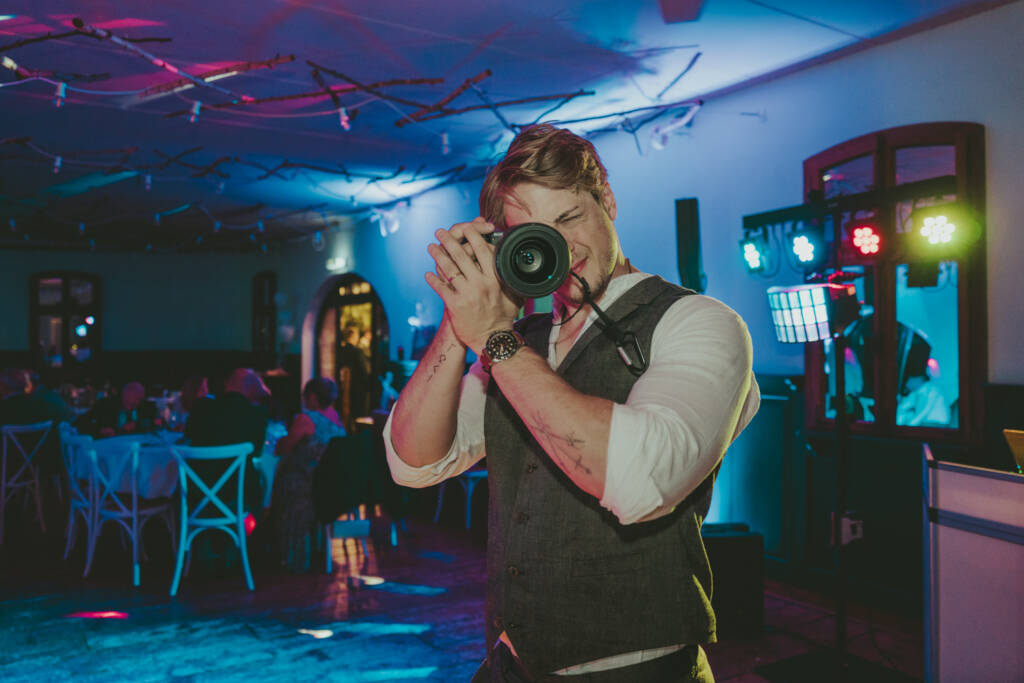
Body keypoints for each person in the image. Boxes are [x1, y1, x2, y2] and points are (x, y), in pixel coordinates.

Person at [385, 124, 760, 682]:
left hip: (638, 670)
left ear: (606, 200)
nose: (564, 248)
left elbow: (641, 483)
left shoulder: (699, 322)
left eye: (569, 220)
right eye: (533, 235)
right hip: (510, 665)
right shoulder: (515, 339)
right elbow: (412, 462)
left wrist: (496, 340)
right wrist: (458, 317)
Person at [270, 377, 347, 571]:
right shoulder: (336, 418)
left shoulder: (306, 419)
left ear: (312, 397)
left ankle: (286, 555)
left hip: (304, 485)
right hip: (331, 484)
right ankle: (314, 549)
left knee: (277, 482)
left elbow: (283, 447)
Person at [184, 368, 270, 514]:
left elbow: (187, 437)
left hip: (196, 492)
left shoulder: (201, 408)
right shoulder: (256, 415)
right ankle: (250, 533)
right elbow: (257, 453)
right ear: (250, 389)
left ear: (228, 385)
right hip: (236, 494)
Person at [76, 381, 155, 438]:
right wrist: (100, 430)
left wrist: (137, 425)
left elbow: (156, 422)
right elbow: (81, 423)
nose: (129, 407)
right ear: (123, 395)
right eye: (127, 402)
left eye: (133, 405)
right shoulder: (106, 405)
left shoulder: (146, 408)